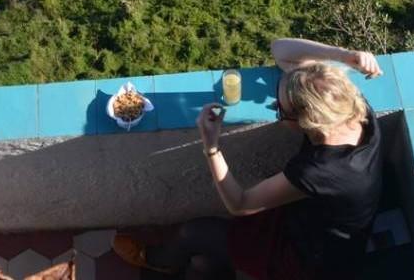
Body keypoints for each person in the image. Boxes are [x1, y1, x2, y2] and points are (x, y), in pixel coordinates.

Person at [116, 38, 385, 280]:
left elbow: (240, 204)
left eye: (280, 110)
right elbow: (280, 50)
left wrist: (211, 146)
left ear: (307, 121)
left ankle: (159, 262)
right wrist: (344, 55)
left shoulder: (319, 170)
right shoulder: (348, 107)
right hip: (319, 223)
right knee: (204, 260)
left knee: (196, 233)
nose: (274, 110)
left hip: (313, 259)